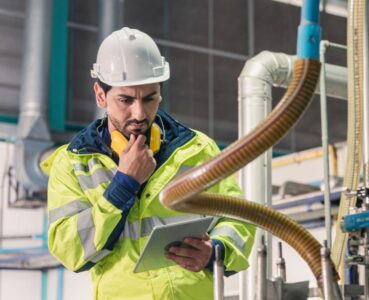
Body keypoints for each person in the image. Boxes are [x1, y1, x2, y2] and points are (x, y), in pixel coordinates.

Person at [41, 27, 255, 300]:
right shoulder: (73, 164)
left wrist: (216, 250)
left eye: (149, 98)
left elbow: (238, 217)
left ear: (160, 93)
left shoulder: (198, 149)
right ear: (100, 94)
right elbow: (70, 250)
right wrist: (122, 186)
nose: (139, 113)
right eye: (126, 100)